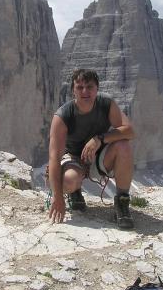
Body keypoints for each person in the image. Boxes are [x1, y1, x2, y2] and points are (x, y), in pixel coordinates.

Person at [48, 68, 136, 229]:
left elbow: (130, 131)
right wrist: (58, 197)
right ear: (73, 90)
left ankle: (122, 203)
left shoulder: (106, 104)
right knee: (68, 181)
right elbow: (54, 158)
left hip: (100, 155)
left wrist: (99, 139)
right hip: (74, 158)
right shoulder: (63, 116)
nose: (85, 91)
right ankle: (73, 192)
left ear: (97, 88)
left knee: (123, 146)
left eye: (89, 87)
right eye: (79, 87)